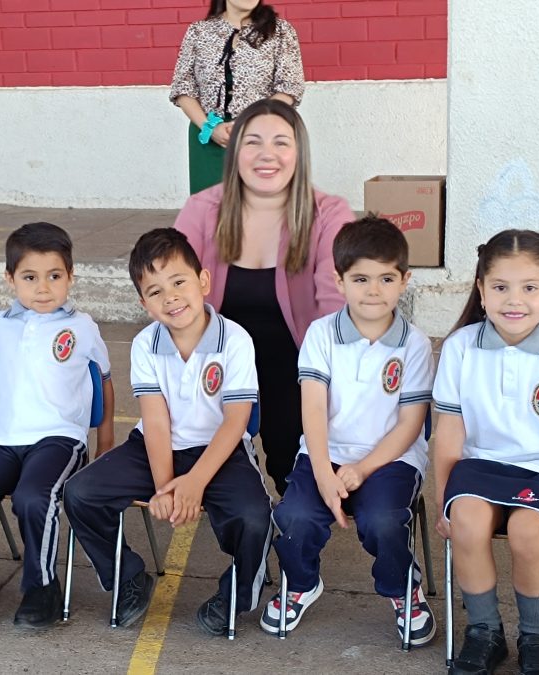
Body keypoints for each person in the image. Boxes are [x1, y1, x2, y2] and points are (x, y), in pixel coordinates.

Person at [62, 228, 272, 636]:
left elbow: (236, 421)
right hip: (154, 448)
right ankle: (128, 576)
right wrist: (165, 487)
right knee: (80, 493)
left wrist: (193, 482)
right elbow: (156, 421)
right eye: (155, 291)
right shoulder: (145, 345)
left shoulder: (236, 340)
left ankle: (241, 591)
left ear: (203, 282)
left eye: (179, 282)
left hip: (221, 449)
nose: (171, 297)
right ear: (143, 303)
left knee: (253, 516)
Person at [433, 230, 539, 675]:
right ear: (481, 291)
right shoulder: (460, 347)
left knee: (529, 534)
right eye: (500, 287)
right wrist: (442, 505)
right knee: (467, 523)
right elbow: (448, 433)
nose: (514, 300)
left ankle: (534, 637)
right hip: (480, 465)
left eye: (529, 287)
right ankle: (485, 632)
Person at [262, 217, 436, 646]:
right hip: (325, 452)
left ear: (404, 280)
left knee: (382, 520)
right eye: (360, 279)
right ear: (338, 281)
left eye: (385, 278)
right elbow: (314, 409)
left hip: (390, 458)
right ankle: (301, 582)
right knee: (295, 516)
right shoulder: (321, 335)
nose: (373, 290)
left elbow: (411, 423)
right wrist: (323, 471)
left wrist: (361, 469)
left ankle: (403, 590)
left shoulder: (414, 344)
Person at [174, 98, 354, 495]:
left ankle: (293, 525)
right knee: (209, 468)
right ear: (234, 150)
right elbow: (174, 290)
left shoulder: (329, 214)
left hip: (294, 362)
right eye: (252, 142)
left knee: (290, 459)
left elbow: (334, 302)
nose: (266, 155)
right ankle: (246, 538)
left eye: (281, 143)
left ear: (299, 152)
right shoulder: (202, 210)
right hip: (215, 361)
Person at [0, 222, 115, 628]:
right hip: (4, 438)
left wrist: (105, 438)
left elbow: (104, 379)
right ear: (10, 279)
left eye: (55, 276)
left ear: (70, 277)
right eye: (30, 277)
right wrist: (0, 424)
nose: (43, 288)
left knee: (32, 499)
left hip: (60, 437)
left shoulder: (82, 326)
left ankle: (42, 587)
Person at [170, 0, 304, 194]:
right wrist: (210, 127)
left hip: (261, 135)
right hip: (209, 135)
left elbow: (290, 87)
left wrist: (249, 123)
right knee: (209, 211)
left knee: (258, 207)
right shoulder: (199, 31)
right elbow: (182, 88)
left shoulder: (281, 31)